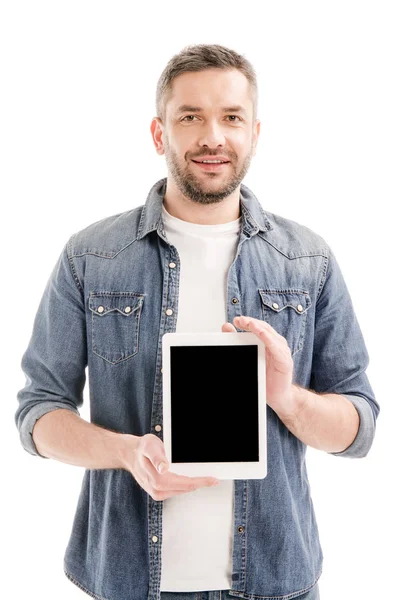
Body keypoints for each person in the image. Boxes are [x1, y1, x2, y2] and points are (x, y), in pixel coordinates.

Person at [15, 43, 379, 600]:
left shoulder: (308, 260)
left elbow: (359, 430)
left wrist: (287, 398)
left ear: (255, 132)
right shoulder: (90, 257)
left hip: (276, 583)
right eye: (191, 117)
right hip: (129, 581)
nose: (213, 136)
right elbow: (38, 412)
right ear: (160, 134)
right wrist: (123, 452)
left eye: (231, 117)